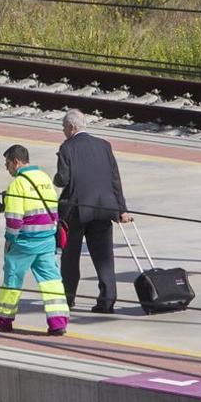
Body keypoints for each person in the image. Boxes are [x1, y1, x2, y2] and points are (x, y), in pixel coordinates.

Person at [0, 145, 71, 336]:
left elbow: (14, 220)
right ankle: (58, 322)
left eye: (7, 164)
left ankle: (3, 318)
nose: (7, 168)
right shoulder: (45, 178)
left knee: (13, 278)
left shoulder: (18, 184)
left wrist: (9, 240)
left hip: (25, 242)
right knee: (52, 281)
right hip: (47, 240)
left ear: (16, 162)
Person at [54, 109, 133, 314]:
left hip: (77, 211)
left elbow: (63, 178)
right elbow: (115, 179)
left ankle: (68, 298)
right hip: (105, 208)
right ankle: (107, 301)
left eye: (64, 127)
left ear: (71, 127)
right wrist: (121, 210)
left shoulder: (67, 148)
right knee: (104, 256)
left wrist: (55, 180)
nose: (63, 131)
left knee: (70, 257)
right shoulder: (104, 145)